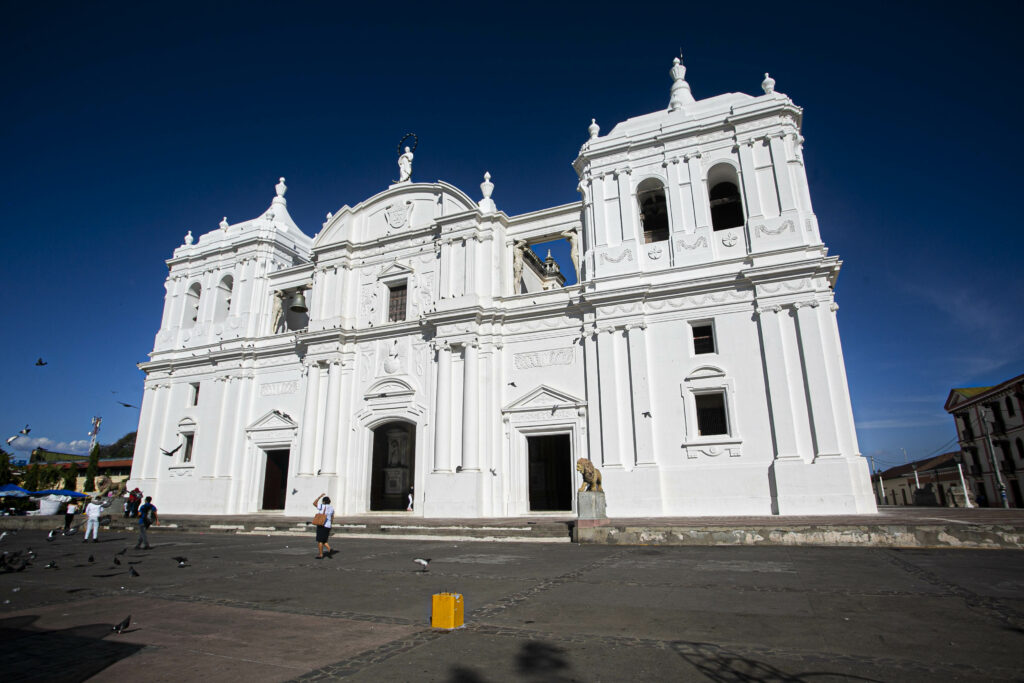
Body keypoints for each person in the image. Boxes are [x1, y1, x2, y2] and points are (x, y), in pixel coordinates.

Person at [313, 493, 334, 559]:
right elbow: (332, 517)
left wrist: (319, 496)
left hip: (321, 524)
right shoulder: (331, 508)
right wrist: (331, 524)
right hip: (328, 525)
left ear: (324, 501)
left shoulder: (321, 506)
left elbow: (314, 503)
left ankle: (321, 554)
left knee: (320, 540)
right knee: (324, 540)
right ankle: (329, 549)